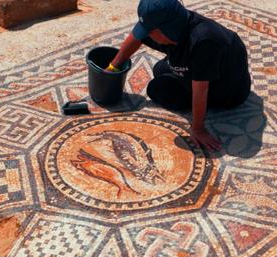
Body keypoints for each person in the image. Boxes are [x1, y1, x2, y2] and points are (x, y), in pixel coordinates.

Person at [107, 0, 252, 151]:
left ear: (166, 30)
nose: (146, 35)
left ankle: (199, 102)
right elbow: (136, 37)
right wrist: (113, 67)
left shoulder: (204, 42)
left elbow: (201, 89)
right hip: (205, 67)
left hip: (229, 91)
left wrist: (198, 129)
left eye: (149, 31)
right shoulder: (174, 24)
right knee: (160, 69)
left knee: (157, 89)